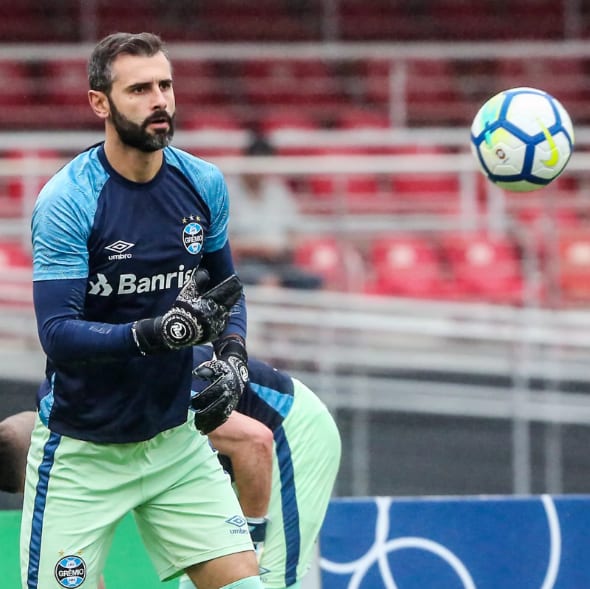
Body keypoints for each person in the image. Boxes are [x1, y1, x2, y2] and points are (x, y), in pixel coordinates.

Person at [22, 32, 261, 589]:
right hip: (82, 454)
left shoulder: (203, 183)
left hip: (174, 444)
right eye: (139, 89)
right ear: (99, 103)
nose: (159, 100)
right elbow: (57, 334)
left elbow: (226, 290)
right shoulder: (69, 199)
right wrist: (155, 333)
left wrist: (233, 357)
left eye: (165, 85)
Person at [1, 347, 342, 589]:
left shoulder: (145, 392)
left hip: (290, 432)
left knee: (265, 579)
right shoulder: (77, 424)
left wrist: (253, 533)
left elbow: (255, 441)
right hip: (230, 457)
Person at [226, 130, 323, 290]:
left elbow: (296, 231)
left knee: (314, 281)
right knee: (269, 283)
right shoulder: (227, 193)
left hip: (281, 262)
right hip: (246, 263)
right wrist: (259, 248)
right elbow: (225, 243)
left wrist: (286, 246)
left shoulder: (278, 191)